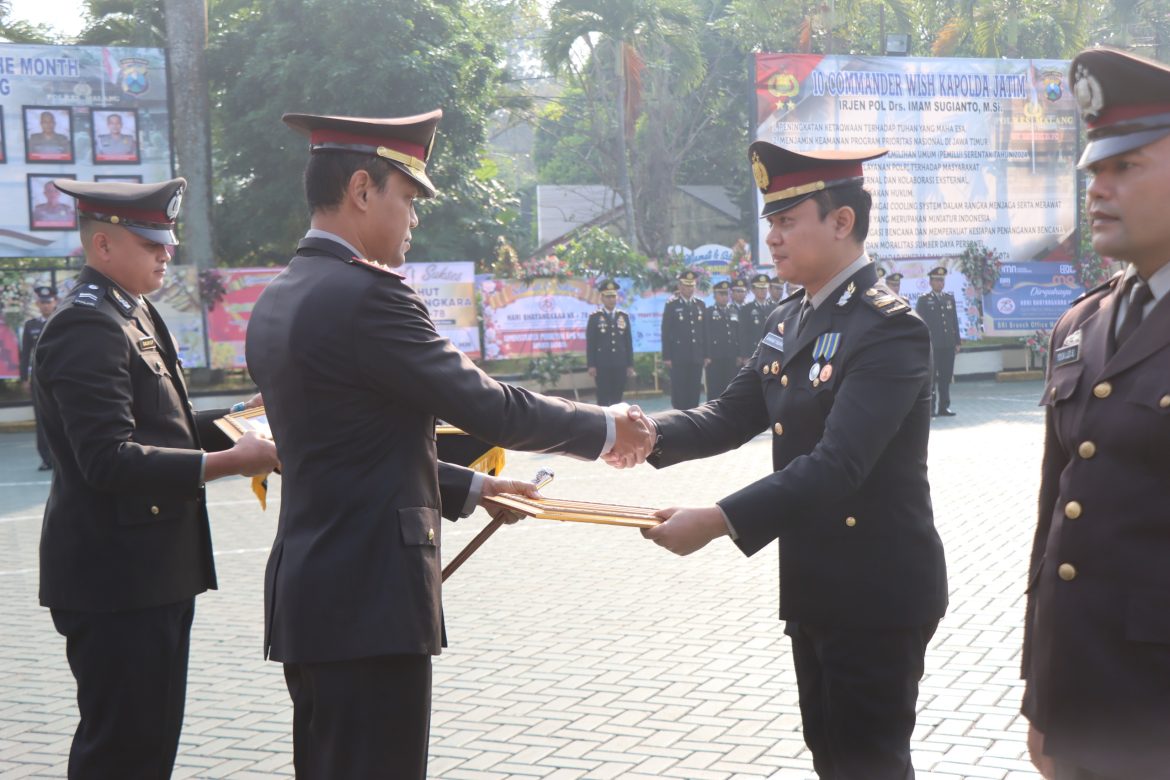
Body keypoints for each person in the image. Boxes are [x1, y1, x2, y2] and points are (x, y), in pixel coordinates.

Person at [244, 110, 653, 780]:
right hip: (369, 604)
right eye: (407, 197)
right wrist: (606, 426)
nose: (413, 217)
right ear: (362, 189)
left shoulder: (281, 296)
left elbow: (337, 448)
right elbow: (488, 406)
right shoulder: (367, 297)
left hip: (314, 599)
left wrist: (476, 486)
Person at [631, 141, 948, 778]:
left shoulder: (888, 327)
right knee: (830, 755)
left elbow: (838, 466)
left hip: (878, 589)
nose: (772, 238)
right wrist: (631, 433)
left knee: (869, 762)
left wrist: (717, 518)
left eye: (786, 221)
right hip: (816, 583)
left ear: (842, 221)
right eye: (770, 222)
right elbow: (728, 415)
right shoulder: (790, 317)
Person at [33, 178, 280, 779]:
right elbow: (109, 458)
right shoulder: (86, 326)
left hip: (152, 574)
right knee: (120, 751)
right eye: (150, 243)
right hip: (116, 583)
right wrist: (230, 463)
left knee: (148, 746)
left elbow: (164, 428)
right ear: (103, 245)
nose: (166, 253)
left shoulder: (133, 311)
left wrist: (243, 419)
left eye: (165, 241)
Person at [1023, 47, 1170, 780]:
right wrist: (1039, 691)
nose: (1099, 189)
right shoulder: (1081, 325)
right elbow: (1056, 525)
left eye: (1126, 167)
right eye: (1094, 171)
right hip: (1079, 699)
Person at [915, 266, 961, 416]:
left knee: (946, 377)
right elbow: (920, 324)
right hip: (932, 346)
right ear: (930, 282)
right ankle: (931, 408)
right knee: (932, 377)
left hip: (948, 345)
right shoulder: (923, 300)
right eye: (937, 280)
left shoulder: (949, 298)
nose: (940, 283)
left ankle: (944, 407)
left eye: (942, 280)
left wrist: (957, 342)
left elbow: (954, 321)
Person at [20, 285, 57, 470]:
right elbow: (25, 353)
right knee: (42, 419)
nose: (45, 306)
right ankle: (46, 459)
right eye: (42, 303)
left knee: (63, 417)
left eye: (48, 302)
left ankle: (63, 459)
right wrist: (24, 378)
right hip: (39, 378)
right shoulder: (31, 325)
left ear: (55, 302)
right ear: (37, 304)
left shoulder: (63, 321)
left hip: (60, 377)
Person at [660, 269, 706, 408]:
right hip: (678, 355)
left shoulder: (700, 304)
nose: (689, 289)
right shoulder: (672, 305)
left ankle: (692, 418)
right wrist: (667, 356)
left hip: (696, 354)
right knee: (679, 389)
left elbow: (704, 331)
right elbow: (666, 332)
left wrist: (706, 354)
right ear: (680, 286)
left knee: (694, 389)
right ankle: (679, 418)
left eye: (692, 285)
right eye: (686, 285)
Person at [586, 279, 635, 405]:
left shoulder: (623, 316)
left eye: (613, 296)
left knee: (617, 396)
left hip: (620, 363)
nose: (611, 299)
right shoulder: (595, 317)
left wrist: (630, 364)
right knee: (603, 396)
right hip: (602, 364)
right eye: (608, 297)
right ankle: (602, 423)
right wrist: (591, 365)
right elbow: (591, 343)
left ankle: (617, 422)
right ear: (602, 298)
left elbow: (628, 342)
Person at [704, 279, 739, 398]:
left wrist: (739, 354)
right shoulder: (708, 312)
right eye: (721, 294)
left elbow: (738, 333)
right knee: (714, 388)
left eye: (727, 294)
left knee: (730, 388)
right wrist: (706, 355)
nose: (725, 297)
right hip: (715, 356)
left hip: (731, 355)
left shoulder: (733, 310)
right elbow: (706, 335)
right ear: (715, 296)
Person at [738, 272, 774, 362]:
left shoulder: (774, 307)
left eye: (765, 288)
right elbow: (743, 334)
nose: (763, 291)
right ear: (753, 290)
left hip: (771, 351)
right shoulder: (746, 309)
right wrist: (744, 355)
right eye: (760, 288)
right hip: (753, 352)